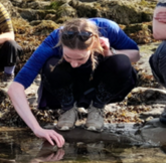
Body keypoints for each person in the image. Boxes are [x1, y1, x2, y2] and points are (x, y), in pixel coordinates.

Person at [8, 18, 140, 147]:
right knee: (51, 65)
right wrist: (37, 129)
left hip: (97, 80)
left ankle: (97, 107)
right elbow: (15, 88)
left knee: (121, 62)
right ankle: (68, 108)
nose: (74, 64)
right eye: (68, 57)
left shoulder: (108, 28)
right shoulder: (53, 41)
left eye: (80, 58)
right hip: (67, 82)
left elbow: (136, 54)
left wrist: (109, 52)